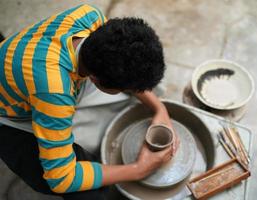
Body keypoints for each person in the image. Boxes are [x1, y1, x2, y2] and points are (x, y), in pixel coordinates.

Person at [0, 4, 179, 200]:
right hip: (9, 114)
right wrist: (139, 169)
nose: (131, 91)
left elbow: (129, 64)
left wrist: (158, 108)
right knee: (89, 193)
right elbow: (61, 179)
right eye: (125, 88)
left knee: (150, 87)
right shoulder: (54, 92)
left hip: (32, 73)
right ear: (95, 78)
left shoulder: (89, 16)